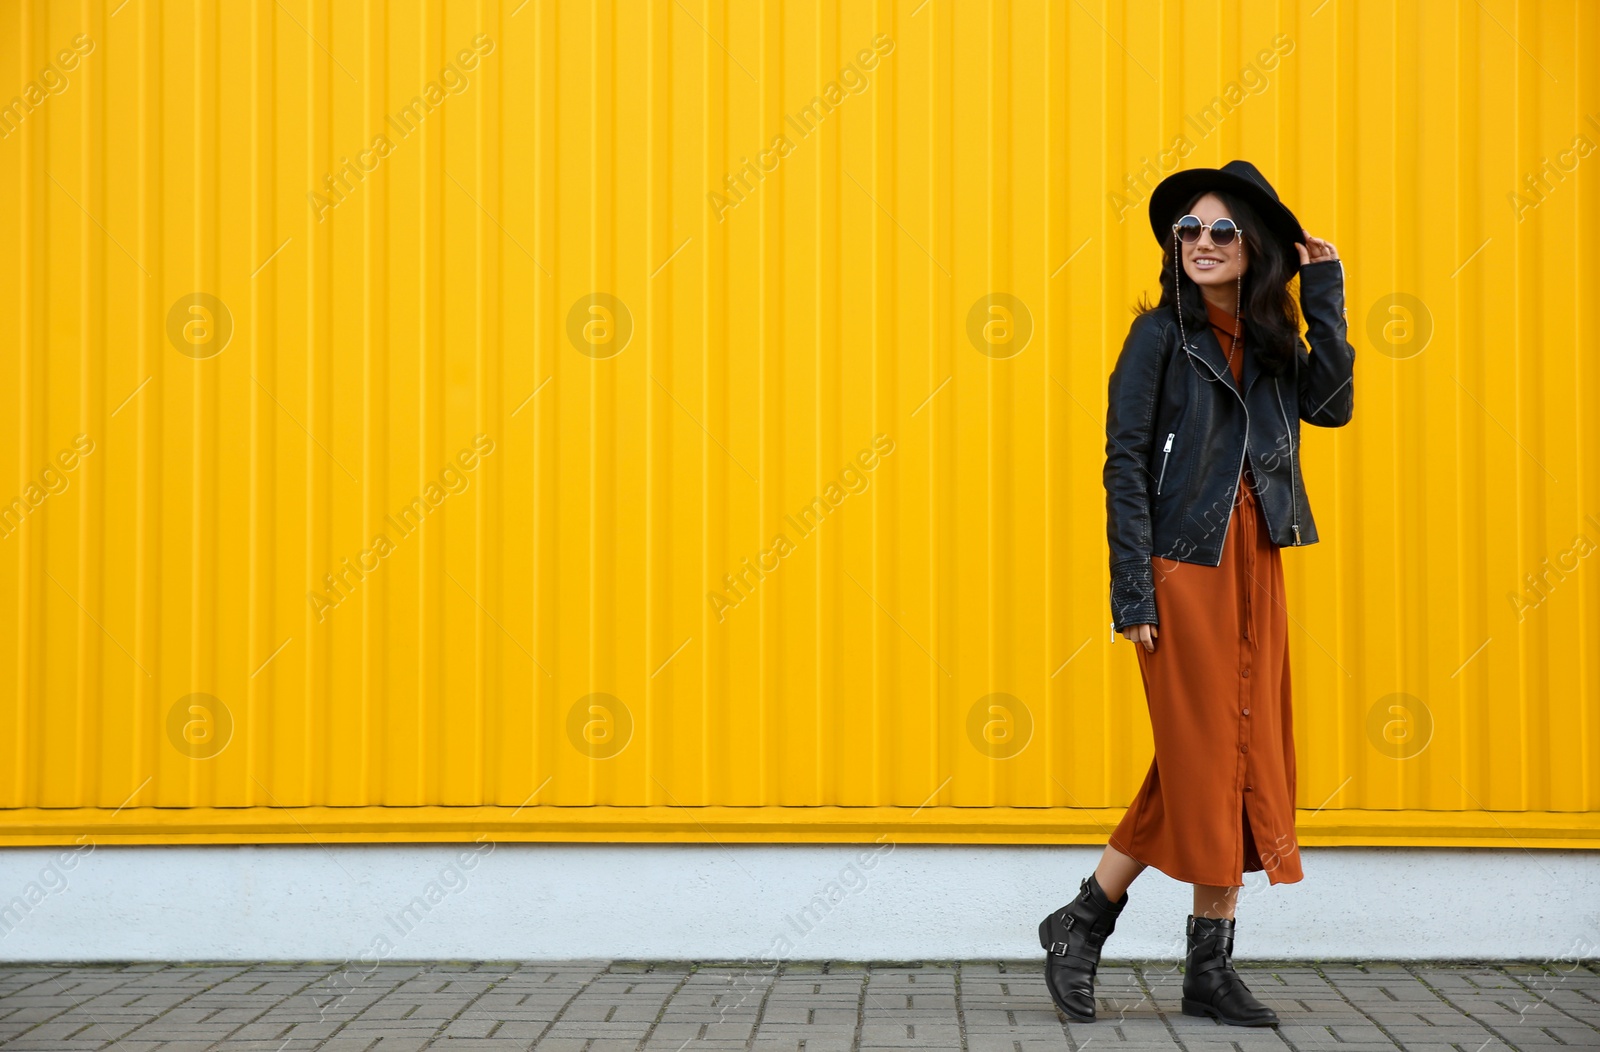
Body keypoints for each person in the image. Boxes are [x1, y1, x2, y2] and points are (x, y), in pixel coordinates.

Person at [1039, 160, 1355, 1028]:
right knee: (1208, 755)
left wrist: (1322, 289)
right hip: (1184, 567)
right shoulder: (1157, 337)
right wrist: (1133, 591)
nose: (1202, 244)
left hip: (1259, 558)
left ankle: (1195, 963)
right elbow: (1123, 464)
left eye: (1220, 231)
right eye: (1188, 230)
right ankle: (1088, 920)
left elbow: (1333, 404)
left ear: (1254, 249)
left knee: (1238, 753)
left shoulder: (1273, 343)